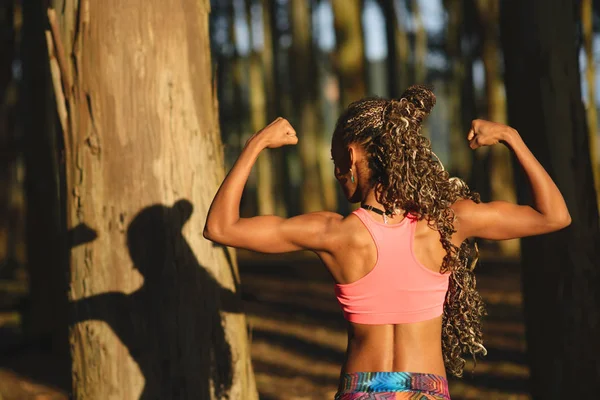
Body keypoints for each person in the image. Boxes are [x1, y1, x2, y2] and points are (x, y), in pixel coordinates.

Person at [203, 85, 571, 399]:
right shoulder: (447, 222)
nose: (336, 174)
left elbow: (221, 227)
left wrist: (255, 145)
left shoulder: (335, 233)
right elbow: (554, 215)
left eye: (336, 161)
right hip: (426, 390)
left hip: (361, 390)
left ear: (351, 155)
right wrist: (511, 137)